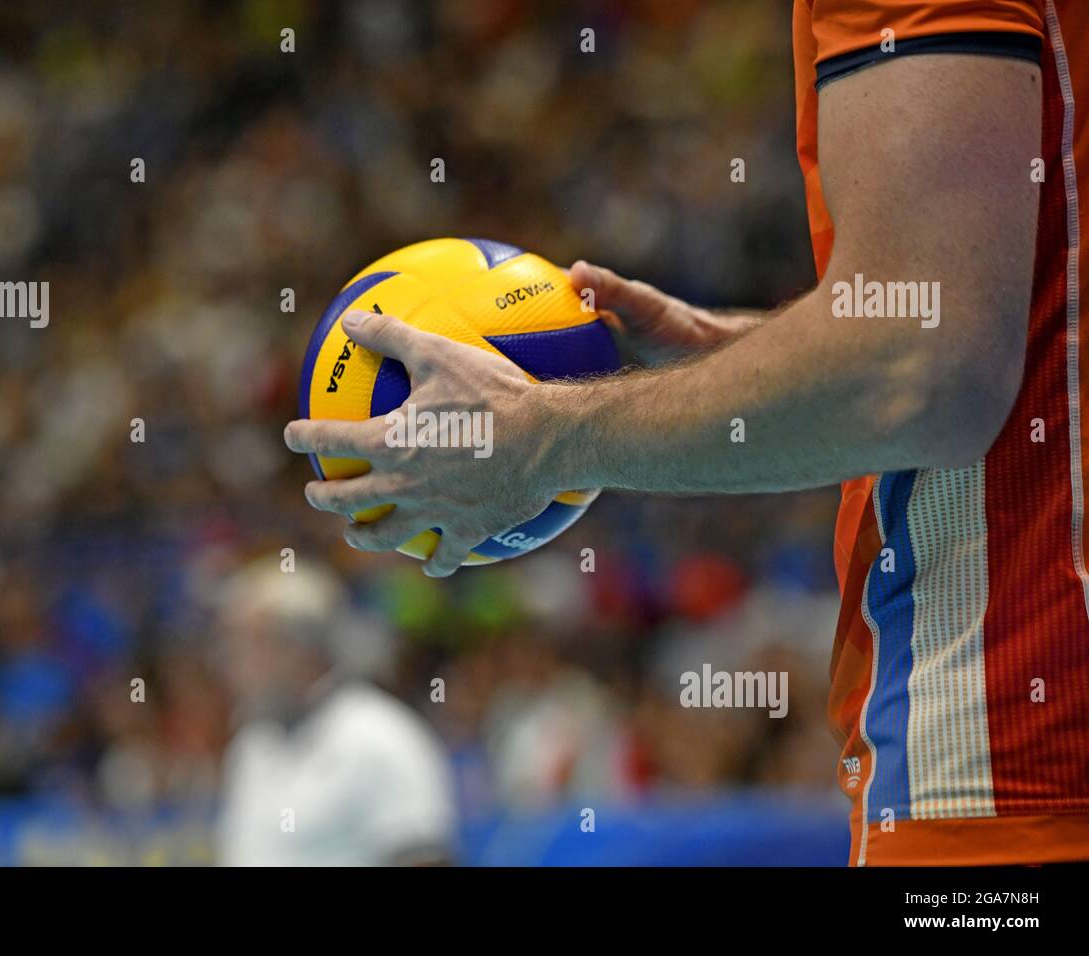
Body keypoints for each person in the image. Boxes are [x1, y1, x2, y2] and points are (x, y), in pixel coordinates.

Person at [286, 2, 1089, 866]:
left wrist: (542, 434)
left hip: (1016, 756)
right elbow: (988, 330)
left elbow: (924, 371)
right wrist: (737, 353)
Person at [214, 560, 456, 866]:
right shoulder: (252, 744)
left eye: (243, 643)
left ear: (296, 647)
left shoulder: (380, 735)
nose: (229, 662)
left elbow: (424, 859)